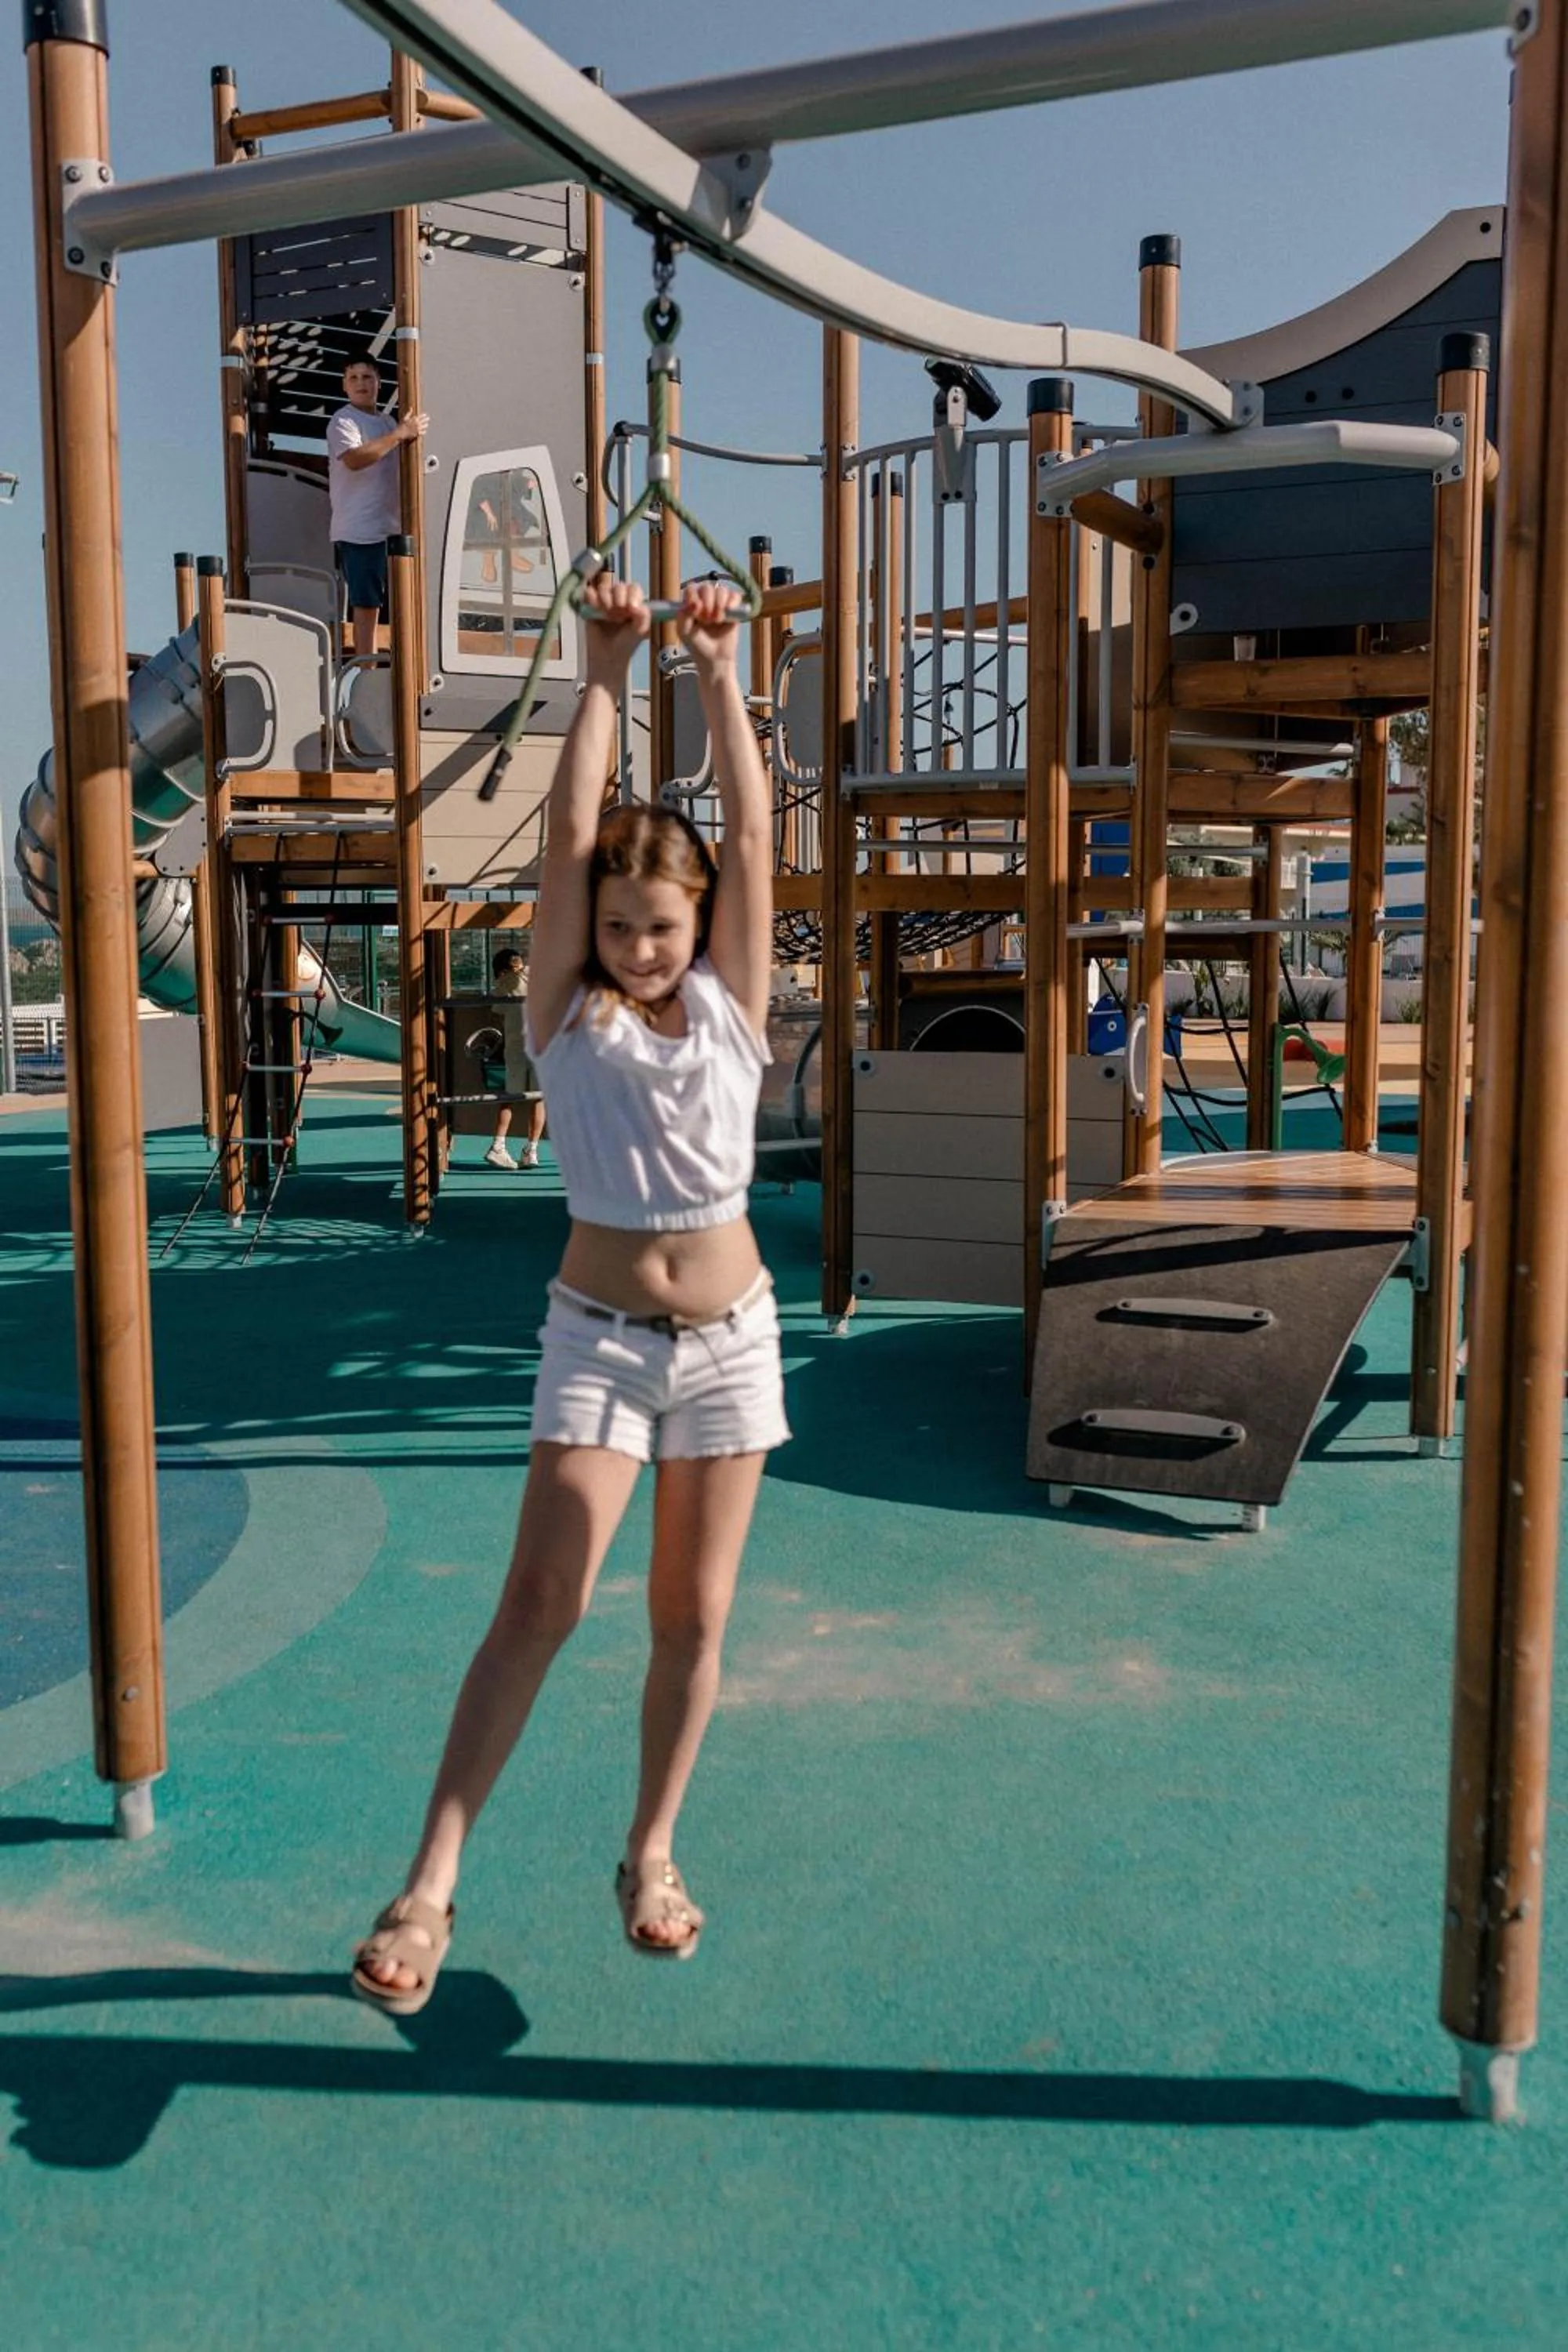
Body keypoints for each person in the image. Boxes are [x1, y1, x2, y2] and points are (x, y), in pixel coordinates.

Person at [352, 574, 787, 2013]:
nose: (641, 946)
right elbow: (558, 845)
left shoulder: (731, 1002)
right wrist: (604, 668)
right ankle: (429, 1883)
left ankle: (651, 1855)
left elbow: (758, 834)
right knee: (542, 1598)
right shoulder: (566, 1011)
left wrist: (720, 672)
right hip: (597, 1341)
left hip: (729, 1345)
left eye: (663, 924)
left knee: (693, 1619)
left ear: (699, 922)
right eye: (621, 925)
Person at [326, 360, 429, 659]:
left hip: (394, 529)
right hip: (360, 531)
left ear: (378, 383)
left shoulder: (386, 422)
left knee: (405, 603)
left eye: (367, 377)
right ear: (345, 385)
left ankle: (404, 666)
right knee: (367, 605)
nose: (361, 383)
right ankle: (365, 672)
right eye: (354, 378)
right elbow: (355, 459)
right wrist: (401, 434)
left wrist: (402, 431)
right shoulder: (343, 422)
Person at [486, 944, 545, 1171]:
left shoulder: (504, 984)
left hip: (516, 1049)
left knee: (509, 1097)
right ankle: (531, 1150)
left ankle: (499, 1145)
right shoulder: (537, 976)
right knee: (538, 1098)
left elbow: (496, 1008)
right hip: (541, 1047)